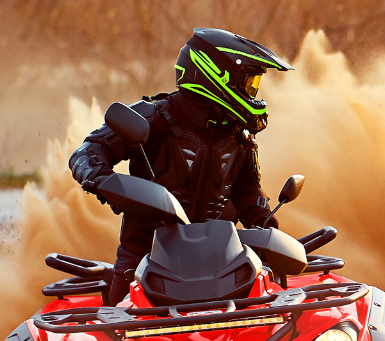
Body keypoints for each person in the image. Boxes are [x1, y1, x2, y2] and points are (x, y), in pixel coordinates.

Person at [69, 28, 294, 286]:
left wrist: (266, 225)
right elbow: (86, 152)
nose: (253, 93)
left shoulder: (239, 136)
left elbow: (246, 190)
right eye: (249, 83)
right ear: (216, 75)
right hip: (144, 262)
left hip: (223, 263)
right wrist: (105, 182)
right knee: (116, 322)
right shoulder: (155, 117)